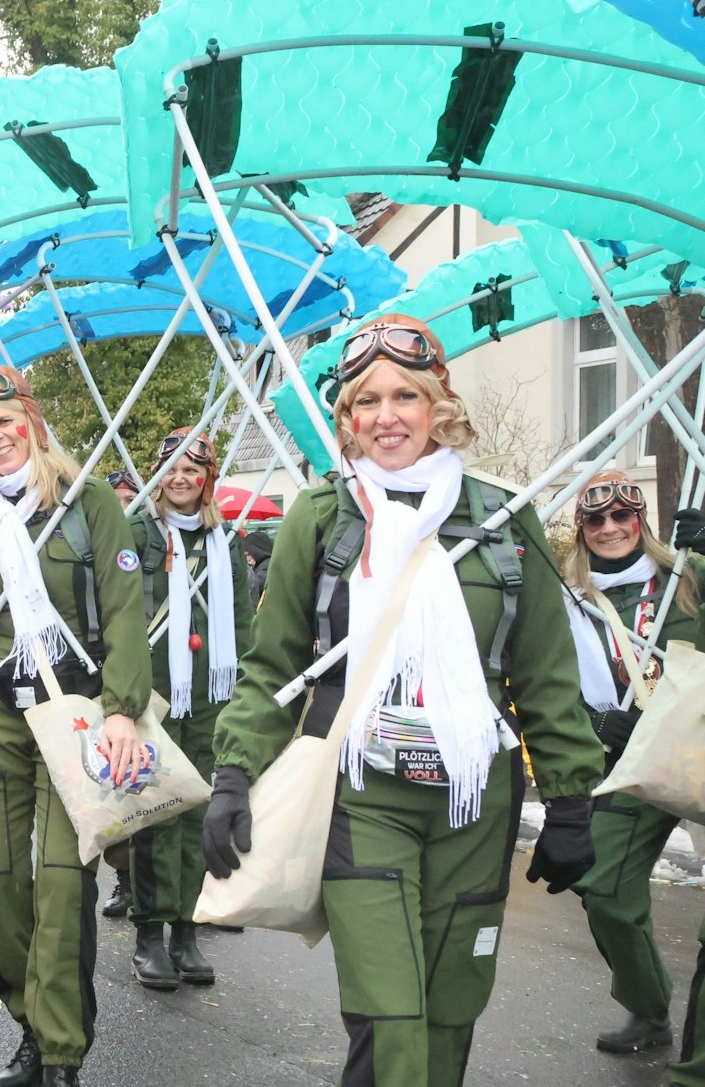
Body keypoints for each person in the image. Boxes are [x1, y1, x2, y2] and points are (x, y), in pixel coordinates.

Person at [203, 316, 604, 1086]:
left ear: (437, 405)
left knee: (450, 1013)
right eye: (366, 401)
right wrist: (232, 772)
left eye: (405, 396)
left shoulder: (500, 519)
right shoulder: (320, 519)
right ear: (347, 420)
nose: (386, 415)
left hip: (474, 802)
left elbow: (546, 676)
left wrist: (571, 801)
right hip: (363, 798)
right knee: (390, 1018)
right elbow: (271, 667)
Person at [0, 369, 150, 1086]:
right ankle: (30, 1018)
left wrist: (122, 708)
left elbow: (123, 613)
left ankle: (59, 1051)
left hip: (79, 715)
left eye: (3, 421)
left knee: (60, 886)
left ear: (31, 420)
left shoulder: (87, 503)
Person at [558, 471, 701, 1056]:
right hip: (630, 765)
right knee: (605, 890)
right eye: (596, 519)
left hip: (695, 748)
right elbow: (546, 674)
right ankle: (649, 1010)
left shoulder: (686, 578)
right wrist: (594, 723)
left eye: (623, 517)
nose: (611, 528)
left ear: (640, 522)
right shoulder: (566, 600)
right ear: (582, 529)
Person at [126, 429, 253, 989]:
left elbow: (244, 626)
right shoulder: (135, 533)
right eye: (170, 468)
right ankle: (149, 933)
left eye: (192, 469)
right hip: (150, 696)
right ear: (157, 474)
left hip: (210, 697)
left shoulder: (227, 545)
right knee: (156, 815)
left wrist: (245, 691)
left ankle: (186, 930)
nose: (180, 478)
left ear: (208, 479)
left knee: (200, 814)